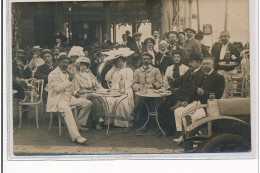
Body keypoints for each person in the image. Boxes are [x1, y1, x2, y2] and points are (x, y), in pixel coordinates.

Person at [173, 57, 225, 143]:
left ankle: (195, 141)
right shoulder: (203, 75)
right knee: (178, 112)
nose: (205, 66)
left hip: (208, 105)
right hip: (197, 103)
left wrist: (204, 93)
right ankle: (184, 135)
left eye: (207, 64)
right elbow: (194, 91)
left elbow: (218, 95)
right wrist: (187, 100)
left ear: (213, 65)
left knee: (195, 117)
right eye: (204, 64)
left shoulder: (219, 77)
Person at [46, 52, 92, 144]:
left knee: (88, 103)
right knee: (68, 112)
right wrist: (69, 80)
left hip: (69, 98)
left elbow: (69, 88)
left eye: (67, 62)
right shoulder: (53, 74)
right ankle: (77, 137)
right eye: (63, 62)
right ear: (58, 62)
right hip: (58, 100)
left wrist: (75, 93)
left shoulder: (66, 73)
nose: (66, 64)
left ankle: (78, 123)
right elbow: (57, 89)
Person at [72, 57, 104, 129]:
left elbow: (97, 85)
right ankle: (98, 120)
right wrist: (87, 91)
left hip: (93, 94)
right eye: (82, 65)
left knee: (96, 99)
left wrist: (100, 90)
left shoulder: (90, 75)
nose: (84, 67)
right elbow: (76, 89)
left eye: (86, 65)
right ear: (79, 66)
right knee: (94, 97)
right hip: (82, 95)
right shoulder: (76, 76)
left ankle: (97, 120)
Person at [132, 52, 163, 124]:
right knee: (141, 99)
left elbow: (160, 83)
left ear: (151, 60)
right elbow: (134, 84)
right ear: (142, 60)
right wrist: (140, 88)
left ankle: (152, 120)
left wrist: (150, 86)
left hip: (153, 93)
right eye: (144, 59)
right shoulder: (137, 71)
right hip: (141, 92)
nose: (146, 60)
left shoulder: (155, 70)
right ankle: (143, 122)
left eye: (148, 59)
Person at [104, 55, 135, 127]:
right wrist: (113, 68)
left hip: (126, 90)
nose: (120, 63)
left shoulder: (129, 70)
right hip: (115, 90)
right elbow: (107, 78)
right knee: (108, 100)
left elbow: (129, 81)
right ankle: (111, 121)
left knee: (121, 101)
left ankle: (122, 122)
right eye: (118, 62)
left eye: (121, 61)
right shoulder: (115, 70)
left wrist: (120, 88)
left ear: (124, 62)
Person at [211, 31, 241, 97]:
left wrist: (231, 64)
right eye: (222, 36)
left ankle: (229, 102)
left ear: (229, 37)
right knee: (220, 88)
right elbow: (214, 59)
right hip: (219, 70)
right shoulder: (217, 47)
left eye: (225, 36)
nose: (223, 38)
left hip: (230, 71)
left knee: (229, 89)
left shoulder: (233, 47)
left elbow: (238, 60)